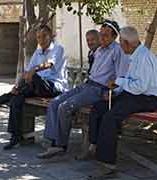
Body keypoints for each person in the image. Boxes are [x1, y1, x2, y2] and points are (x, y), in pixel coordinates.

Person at [37, 20, 129, 158]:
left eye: (106, 36)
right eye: (101, 35)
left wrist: (113, 93)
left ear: (114, 36)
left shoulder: (118, 51)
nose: (102, 38)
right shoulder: (99, 50)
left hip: (99, 89)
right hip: (87, 85)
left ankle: (60, 146)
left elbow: (122, 76)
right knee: (55, 102)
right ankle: (50, 140)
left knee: (65, 107)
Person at [88, 26, 157, 175]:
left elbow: (140, 87)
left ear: (126, 43)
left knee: (110, 118)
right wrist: (115, 90)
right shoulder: (135, 55)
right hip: (135, 94)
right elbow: (130, 81)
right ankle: (94, 145)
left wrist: (119, 82)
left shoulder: (144, 57)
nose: (119, 45)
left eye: (120, 42)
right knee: (100, 107)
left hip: (147, 98)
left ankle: (107, 164)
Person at [0, 25, 68, 150]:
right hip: (36, 87)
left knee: (34, 78)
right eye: (38, 37)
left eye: (44, 36)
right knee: (17, 99)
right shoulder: (37, 52)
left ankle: (6, 97)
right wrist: (16, 85)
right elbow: (26, 72)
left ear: (51, 36)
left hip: (54, 87)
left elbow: (48, 64)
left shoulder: (58, 48)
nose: (41, 40)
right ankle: (15, 136)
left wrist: (33, 71)